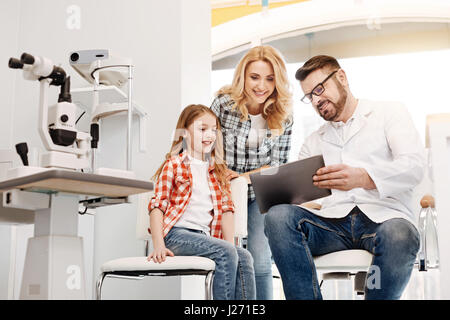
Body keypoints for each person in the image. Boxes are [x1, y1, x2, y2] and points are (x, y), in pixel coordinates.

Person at [264, 55, 425, 300]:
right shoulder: (313, 141)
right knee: (277, 217)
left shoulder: (388, 113)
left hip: (384, 219)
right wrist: (290, 195)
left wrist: (364, 178)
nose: (317, 100)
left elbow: (414, 166)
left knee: (400, 234)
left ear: (342, 78)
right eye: (310, 96)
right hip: (331, 225)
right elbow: (305, 201)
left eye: (319, 89)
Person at [147, 104, 256, 300]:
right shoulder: (174, 164)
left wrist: (231, 246)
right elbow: (157, 206)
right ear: (185, 133)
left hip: (203, 237)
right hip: (175, 235)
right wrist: (158, 245)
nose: (210, 135)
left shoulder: (217, 171)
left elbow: (227, 210)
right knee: (227, 252)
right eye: (202, 129)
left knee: (244, 257)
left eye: (214, 130)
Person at [210, 45, 293, 299]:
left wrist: (245, 177)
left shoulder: (284, 114)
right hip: (225, 191)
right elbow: (209, 148)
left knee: (259, 258)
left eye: (270, 79)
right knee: (228, 257)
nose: (261, 86)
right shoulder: (224, 104)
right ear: (243, 77)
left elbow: (278, 166)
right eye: (255, 77)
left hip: (260, 191)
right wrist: (226, 174)